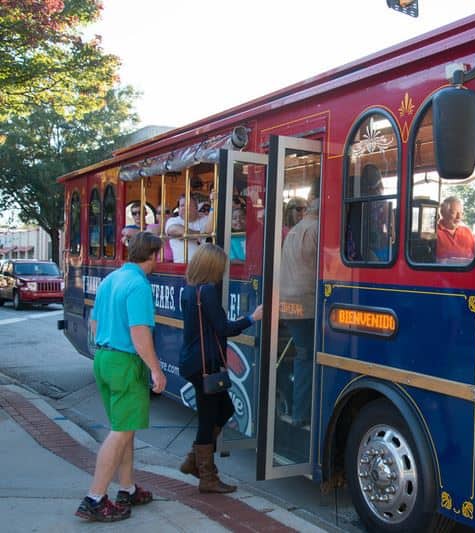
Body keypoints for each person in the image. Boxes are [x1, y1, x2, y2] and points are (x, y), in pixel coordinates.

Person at [75, 232, 167, 522]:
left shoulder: (111, 279)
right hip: (125, 361)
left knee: (124, 427)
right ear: (153, 255)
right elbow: (140, 333)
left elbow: (94, 323)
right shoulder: (139, 285)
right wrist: (155, 369)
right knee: (120, 433)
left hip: (103, 357)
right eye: (159, 254)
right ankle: (95, 497)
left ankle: (126, 488)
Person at [178, 243, 263, 493]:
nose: (224, 271)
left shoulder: (190, 289)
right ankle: (206, 476)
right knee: (208, 418)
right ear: (213, 267)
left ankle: (194, 461)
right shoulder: (208, 292)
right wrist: (251, 318)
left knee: (223, 408)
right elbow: (223, 328)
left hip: (193, 361)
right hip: (205, 364)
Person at [280, 181, 319, 427]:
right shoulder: (317, 230)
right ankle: (301, 413)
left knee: (303, 355)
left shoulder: (296, 230)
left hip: (288, 303)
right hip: (308, 304)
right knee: (307, 357)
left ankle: (298, 411)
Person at [165, 193, 212, 263]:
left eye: (188, 205)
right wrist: (203, 235)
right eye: (182, 206)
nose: (184, 208)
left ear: (196, 208)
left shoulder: (205, 219)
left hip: (204, 265)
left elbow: (213, 229)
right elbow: (174, 230)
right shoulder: (173, 220)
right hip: (182, 265)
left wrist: (187, 236)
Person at [436, 196, 475, 263]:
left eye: (461, 213)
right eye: (454, 213)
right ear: (442, 212)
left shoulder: (467, 231)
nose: (459, 217)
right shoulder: (434, 233)